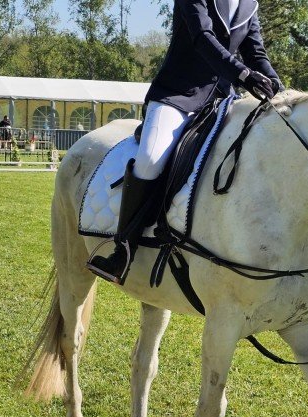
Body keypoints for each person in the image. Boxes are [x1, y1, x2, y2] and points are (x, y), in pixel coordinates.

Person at [86, 0, 284, 285]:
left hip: (223, 101)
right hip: (179, 95)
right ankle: (124, 248)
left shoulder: (249, 4)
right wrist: (243, 75)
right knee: (151, 160)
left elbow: (255, 51)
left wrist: (273, 82)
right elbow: (202, 38)